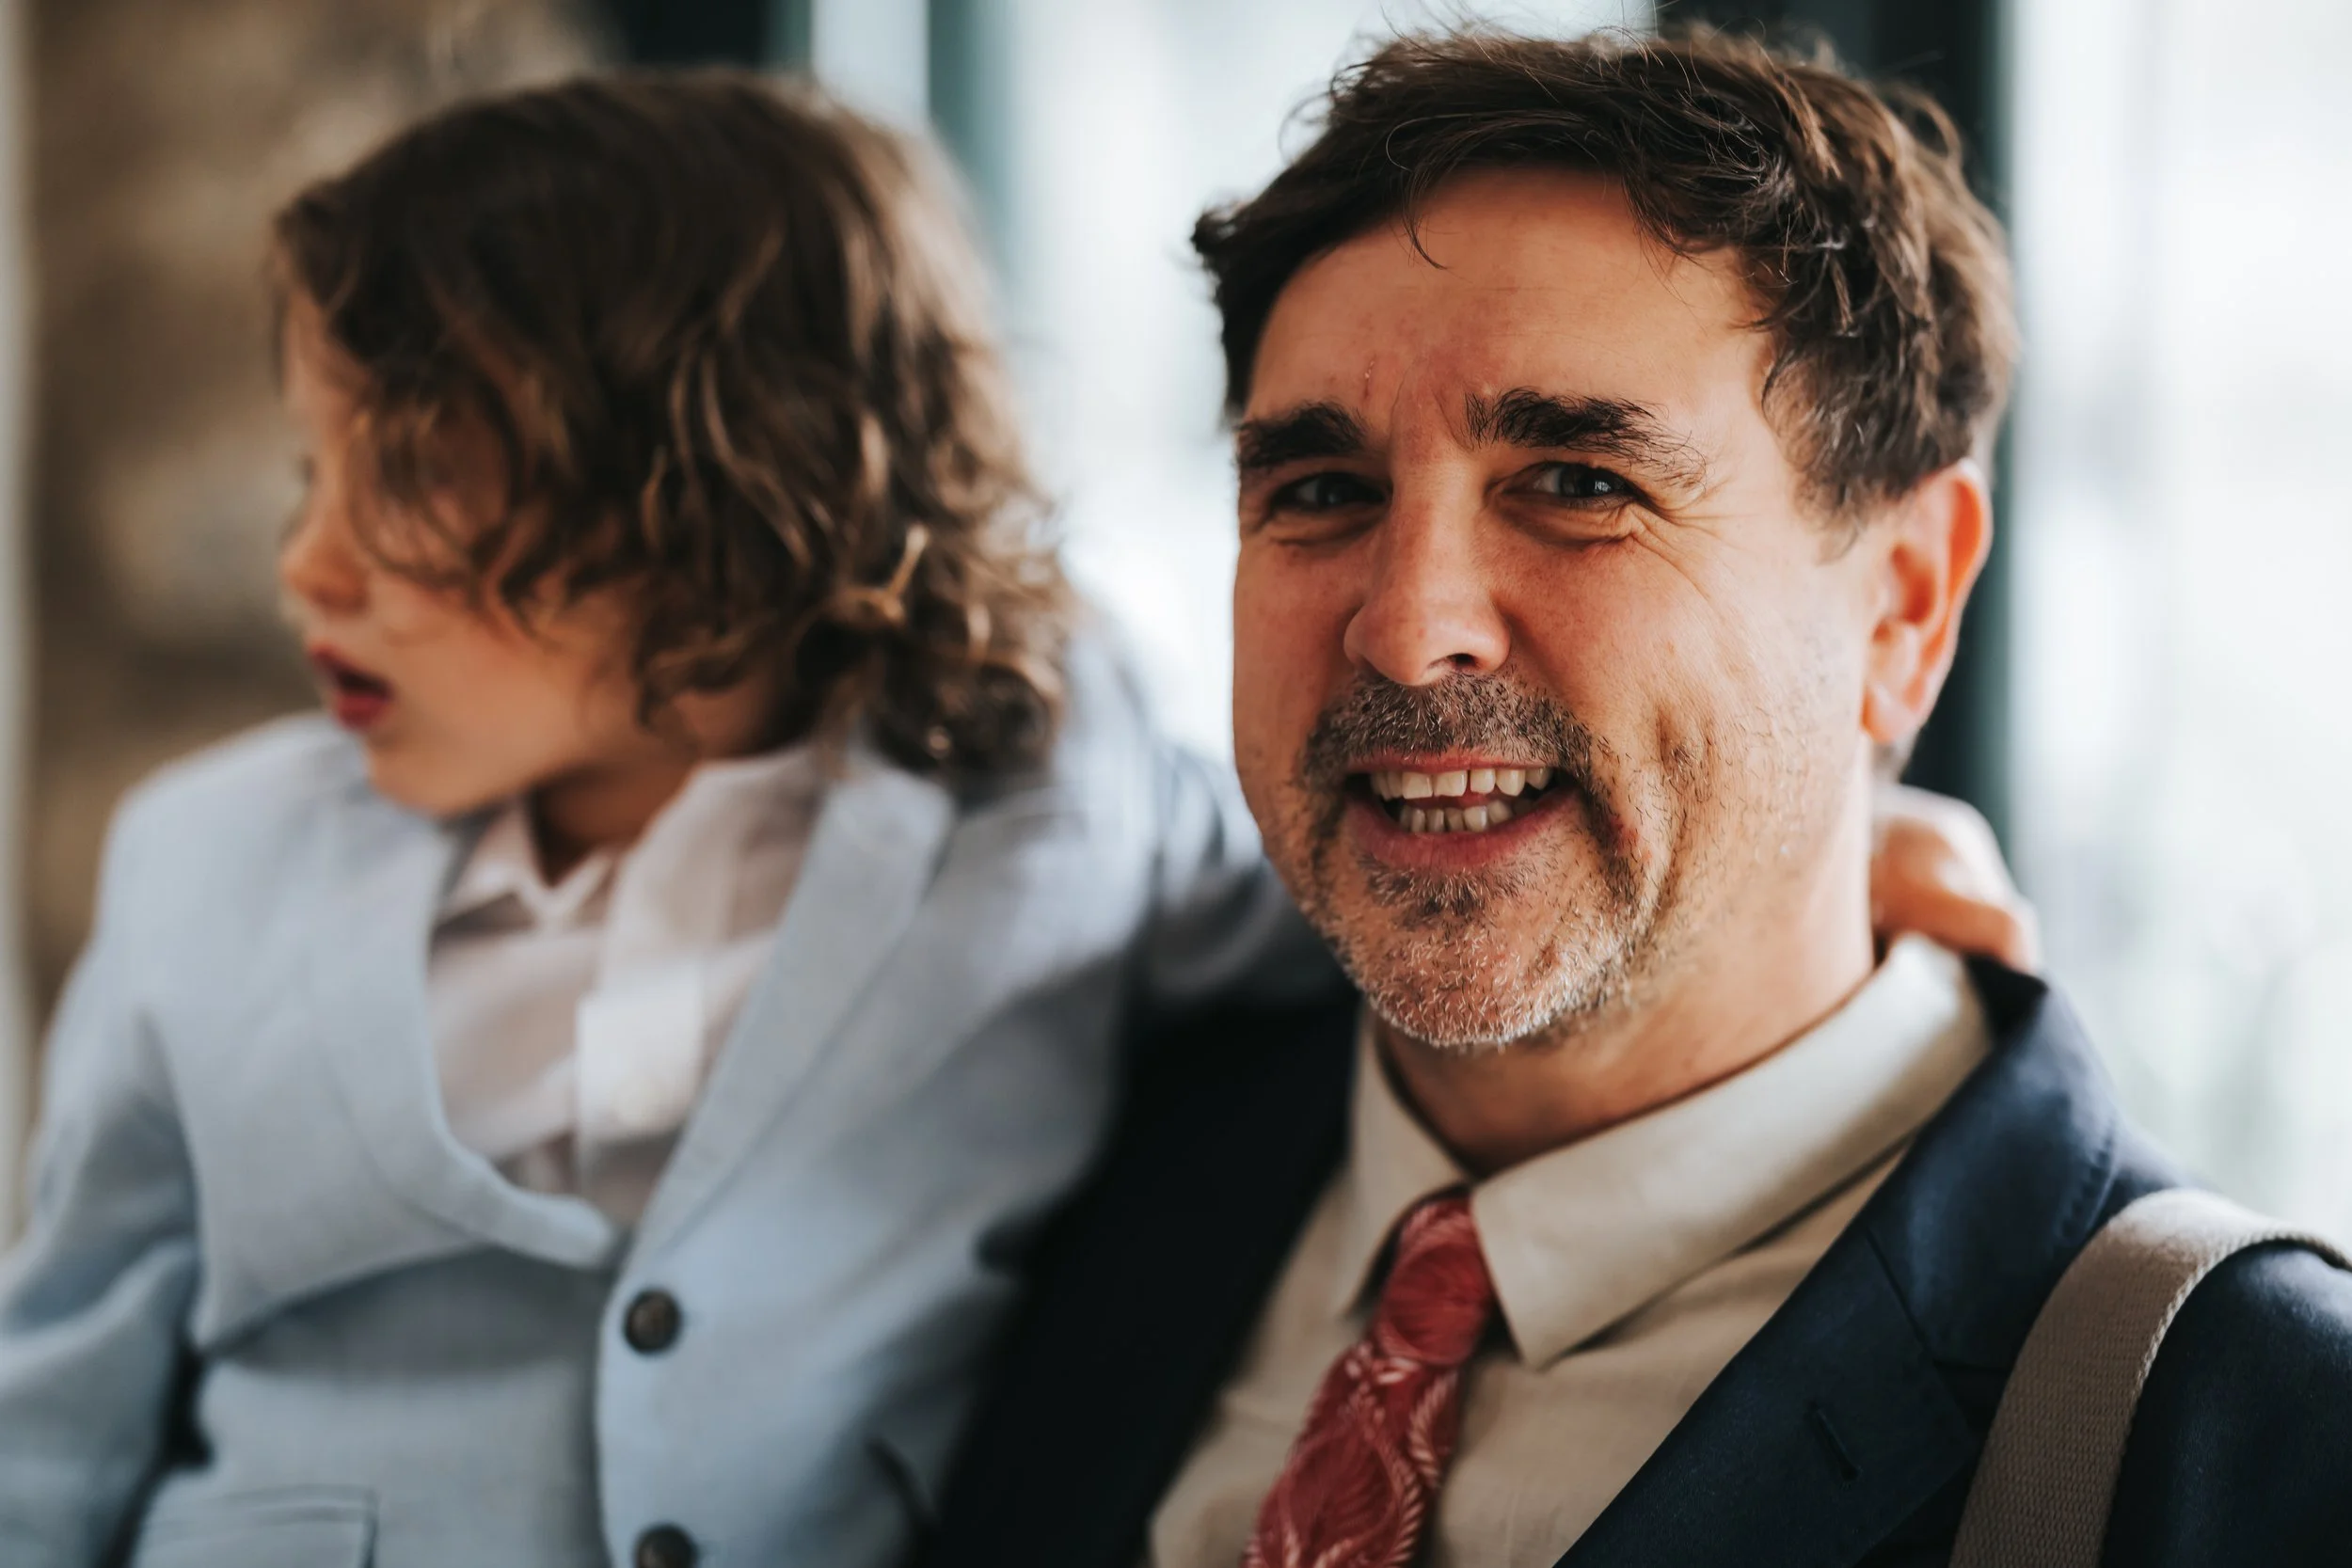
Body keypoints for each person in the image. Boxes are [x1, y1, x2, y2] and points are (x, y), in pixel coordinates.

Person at [929, 26, 2352, 1568]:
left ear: (1906, 609)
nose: (1410, 628)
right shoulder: (1069, 1139)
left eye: (1579, 483)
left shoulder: (2256, 1435)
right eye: (1322, 491)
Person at [0, 73, 1307, 1568]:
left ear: (732, 494)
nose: (308, 564)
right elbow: (58, 1391)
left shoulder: (1060, 795)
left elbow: (1351, 929)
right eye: (313, 474)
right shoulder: (203, 860)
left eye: (407, 476)